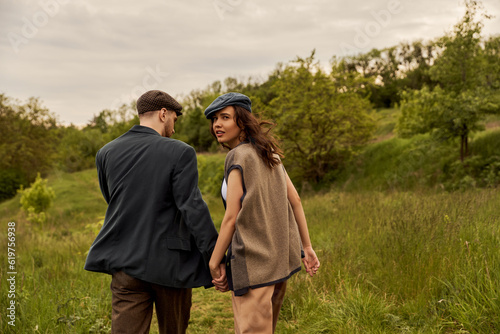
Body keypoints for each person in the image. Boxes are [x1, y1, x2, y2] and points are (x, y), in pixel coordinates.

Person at [84, 90, 222, 334]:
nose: (174, 128)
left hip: (124, 264)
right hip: (171, 266)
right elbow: (192, 208)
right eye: (174, 121)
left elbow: (113, 200)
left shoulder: (105, 153)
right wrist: (215, 256)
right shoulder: (180, 152)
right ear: (163, 113)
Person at [204, 92, 320, 333]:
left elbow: (232, 218)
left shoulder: (238, 155)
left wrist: (215, 262)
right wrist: (306, 248)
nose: (217, 124)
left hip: (254, 263)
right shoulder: (271, 154)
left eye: (225, 117)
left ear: (242, 120)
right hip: (280, 262)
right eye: (214, 119)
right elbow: (295, 200)